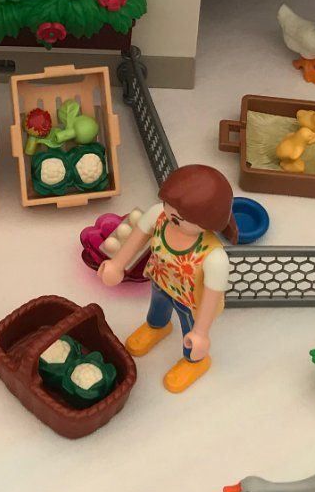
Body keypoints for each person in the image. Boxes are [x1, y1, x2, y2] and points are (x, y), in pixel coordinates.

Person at [98, 164, 237, 394]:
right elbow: (137, 238)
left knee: (189, 332)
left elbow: (211, 297)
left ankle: (195, 361)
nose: (173, 215)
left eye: (185, 216)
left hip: (191, 303)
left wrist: (201, 333)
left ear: (208, 220)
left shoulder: (214, 257)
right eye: (170, 205)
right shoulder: (158, 216)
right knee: (157, 309)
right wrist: (117, 264)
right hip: (160, 282)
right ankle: (157, 327)